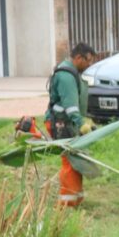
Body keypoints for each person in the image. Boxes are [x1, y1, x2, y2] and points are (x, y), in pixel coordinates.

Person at [45, 43, 95, 207]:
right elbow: (70, 106)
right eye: (88, 61)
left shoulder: (72, 72)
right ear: (78, 57)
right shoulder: (66, 76)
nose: (89, 65)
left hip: (67, 122)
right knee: (69, 161)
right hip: (61, 124)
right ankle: (67, 203)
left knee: (76, 160)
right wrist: (81, 123)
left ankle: (76, 198)